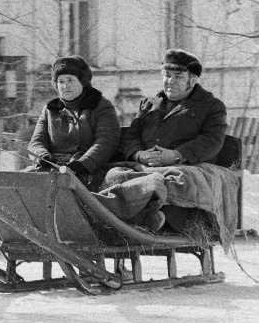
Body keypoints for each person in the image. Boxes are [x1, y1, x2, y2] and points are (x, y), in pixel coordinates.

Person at [119, 48, 228, 230]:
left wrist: (176, 155)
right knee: (114, 175)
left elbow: (212, 140)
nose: (170, 81)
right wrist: (139, 155)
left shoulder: (211, 106)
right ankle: (123, 219)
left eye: (178, 77)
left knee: (176, 181)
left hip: (184, 166)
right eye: (167, 75)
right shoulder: (149, 104)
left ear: (192, 80)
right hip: (144, 166)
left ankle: (154, 220)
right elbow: (131, 135)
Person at [27, 56, 121, 190]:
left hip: (89, 170)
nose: (65, 86)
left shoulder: (100, 106)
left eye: (70, 80)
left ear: (82, 81)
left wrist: (84, 164)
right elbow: (36, 142)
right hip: (54, 168)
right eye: (61, 81)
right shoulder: (50, 110)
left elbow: (106, 141)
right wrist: (43, 157)